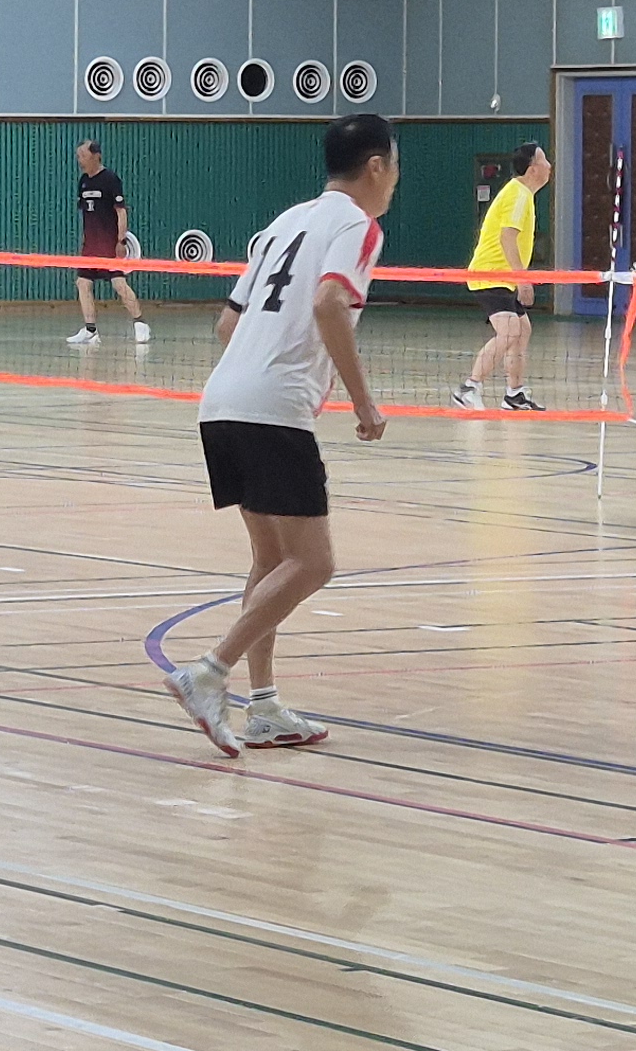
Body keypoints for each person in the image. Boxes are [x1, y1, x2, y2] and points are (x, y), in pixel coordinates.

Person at [165, 110, 397, 758]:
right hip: (272, 410)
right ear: (375, 166)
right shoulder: (358, 226)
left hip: (222, 401)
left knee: (271, 560)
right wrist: (362, 402)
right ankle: (208, 672)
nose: (394, 180)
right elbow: (328, 303)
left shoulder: (285, 222)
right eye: (394, 167)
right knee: (314, 562)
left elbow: (228, 325)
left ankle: (263, 707)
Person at [453, 142, 547, 410]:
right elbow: (508, 237)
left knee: (522, 330)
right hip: (490, 274)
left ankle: (514, 394)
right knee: (509, 331)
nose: (549, 166)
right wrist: (522, 279)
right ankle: (468, 388)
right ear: (532, 169)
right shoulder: (518, 194)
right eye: (544, 160)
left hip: (503, 278)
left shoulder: (523, 194)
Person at [67, 135, 147, 347]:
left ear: (96, 156)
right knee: (83, 283)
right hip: (90, 246)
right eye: (78, 156)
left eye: (83, 155)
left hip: (109, 244)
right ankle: (90, 331)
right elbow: (85, 214)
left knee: (119, 284)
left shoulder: (110, 179)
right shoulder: (83, 182)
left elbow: (121, 212)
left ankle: (140, 323)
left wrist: (121, 240)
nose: (79, 160)